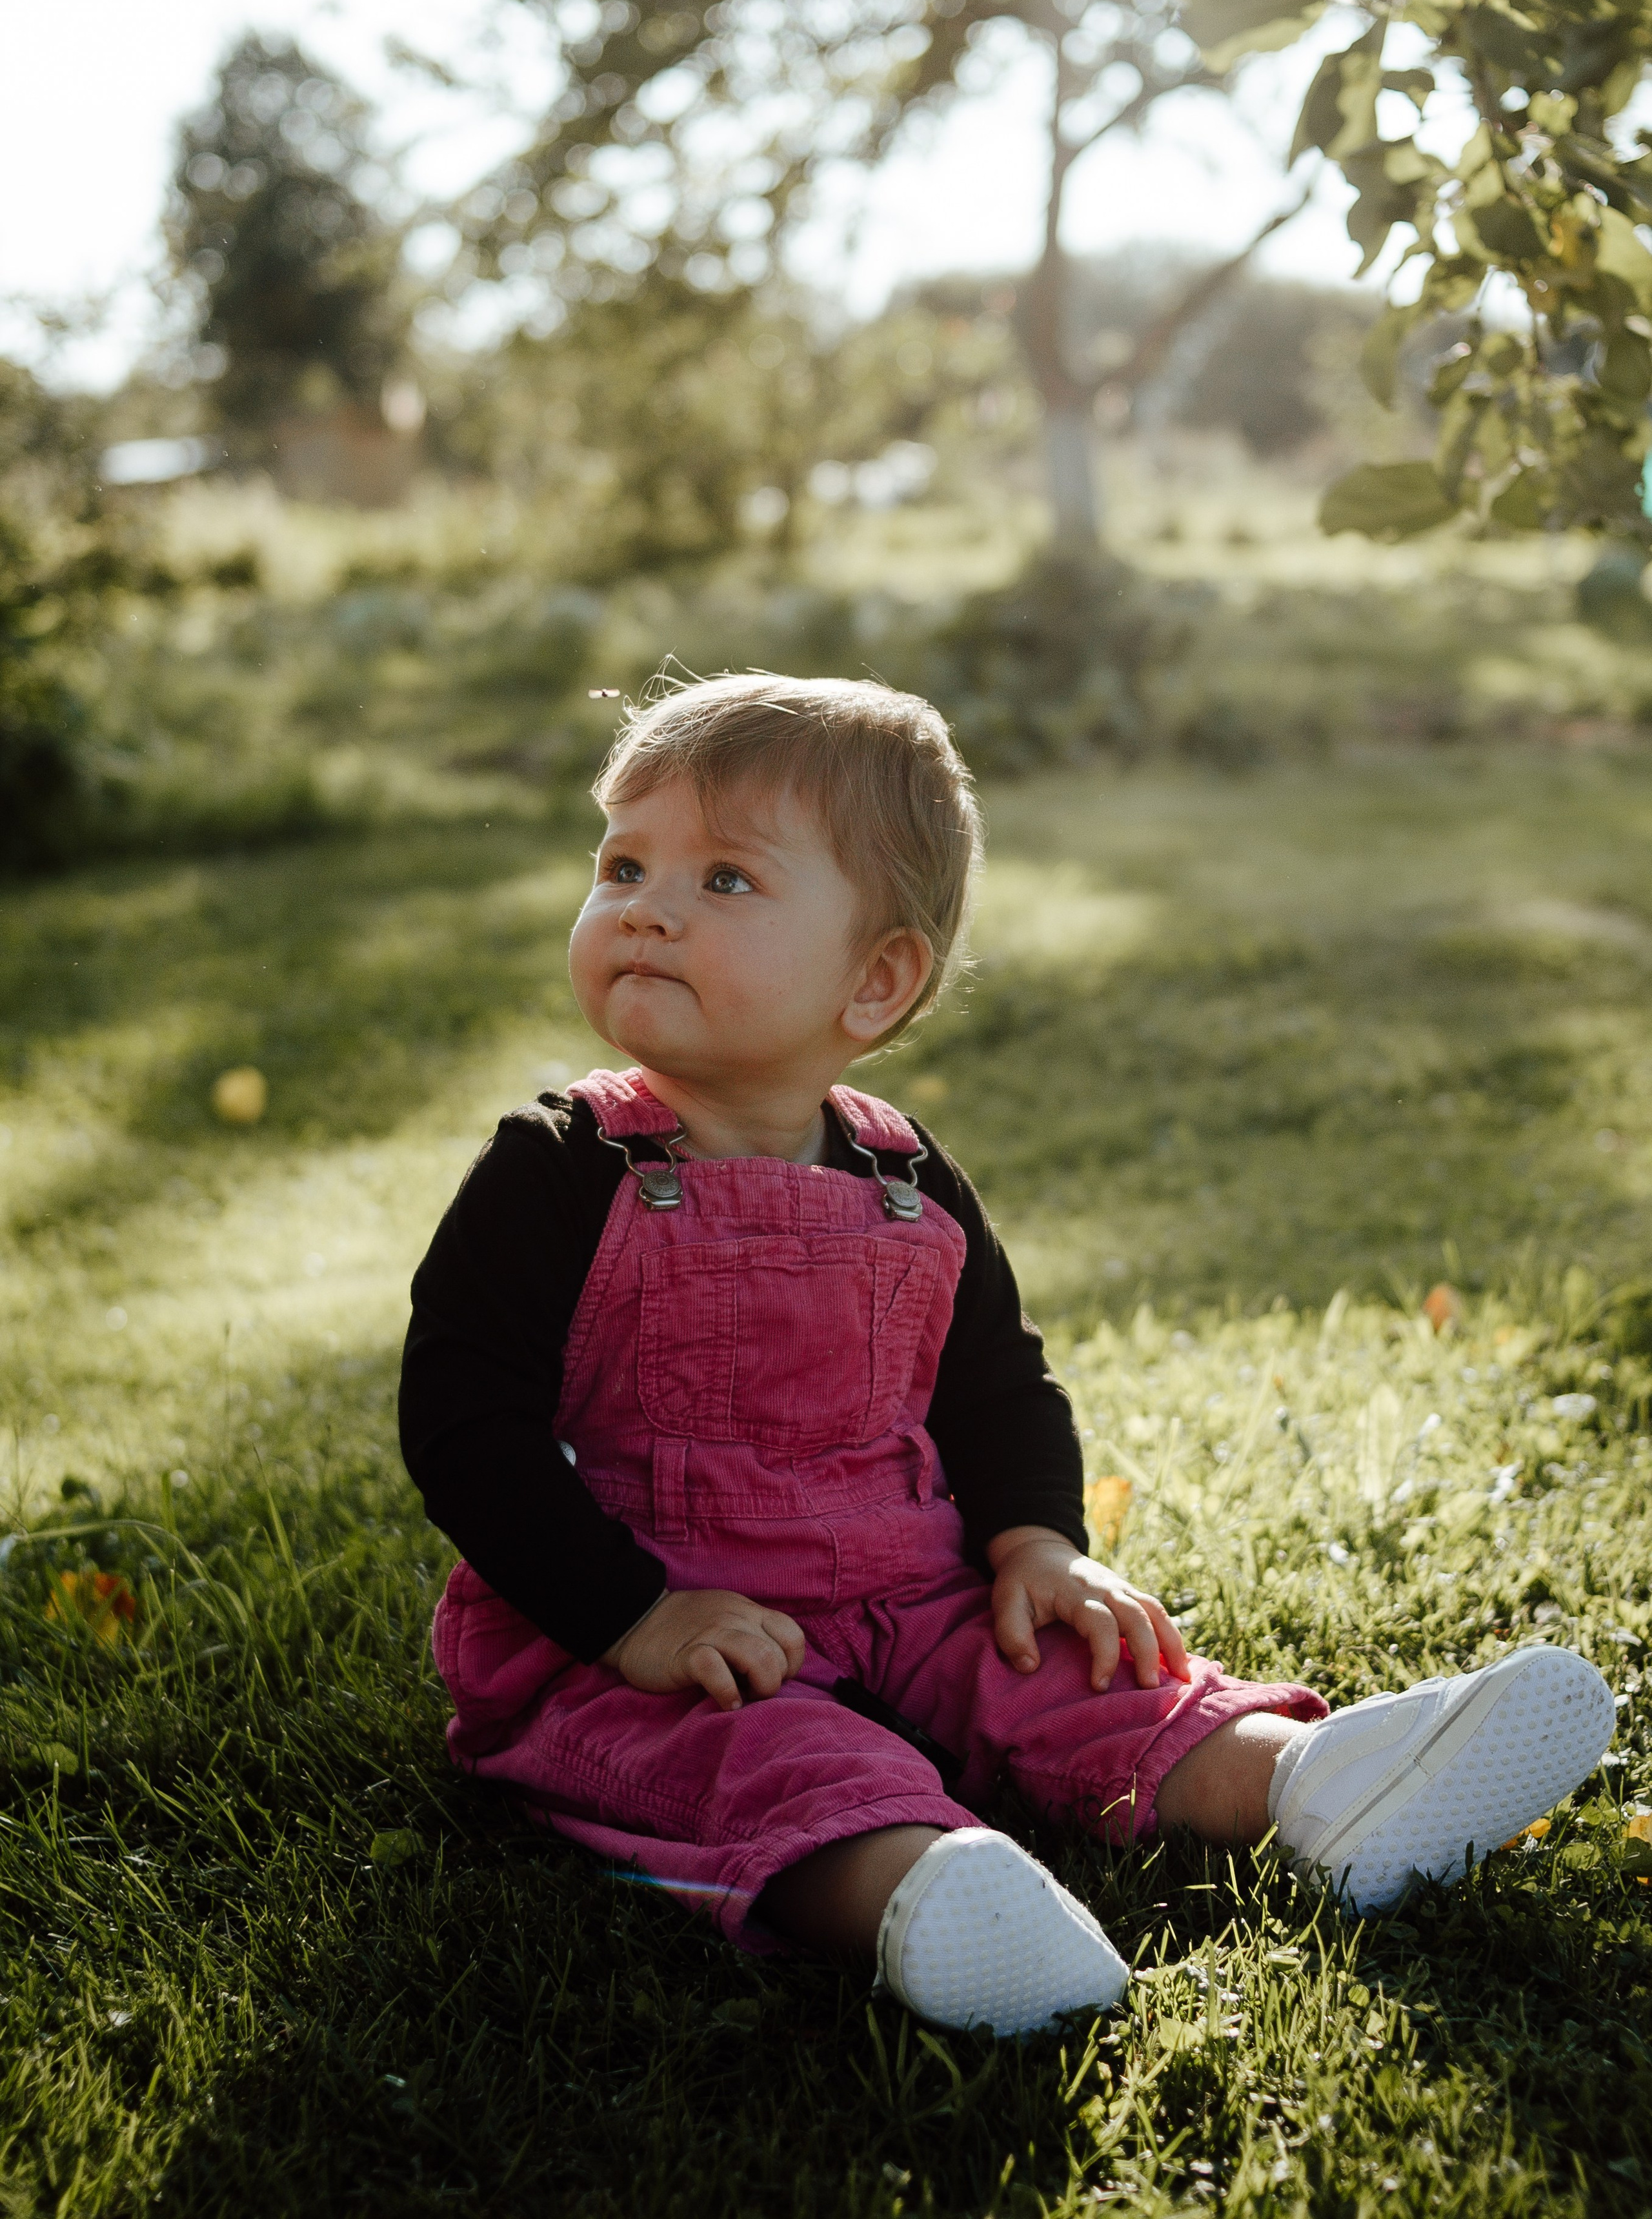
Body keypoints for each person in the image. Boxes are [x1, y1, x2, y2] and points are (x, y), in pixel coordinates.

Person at [400, 674, 1615, 2037]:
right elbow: (463, 1424)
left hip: (902, 1587)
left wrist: (1036, 1543)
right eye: (622, 864)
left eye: (725, 879)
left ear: (877, 979)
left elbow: (995, 1385)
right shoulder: (560, 1168)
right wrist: (632, 1615)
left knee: (1067, 1677)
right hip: (647, 1623)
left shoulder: (906, 1177)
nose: (648, 905)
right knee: (764, 1759)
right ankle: (925, 1892)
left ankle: (1305, 1782)